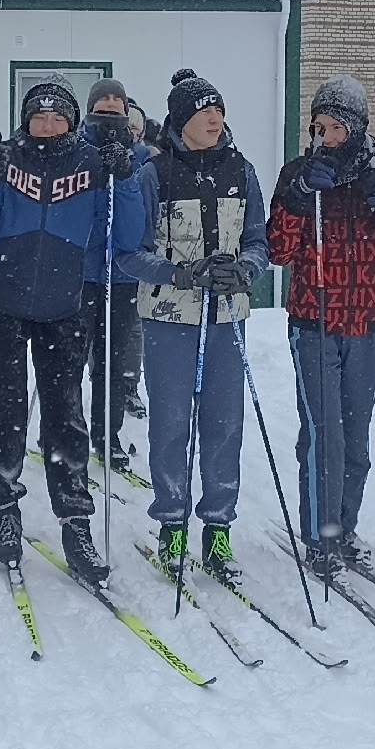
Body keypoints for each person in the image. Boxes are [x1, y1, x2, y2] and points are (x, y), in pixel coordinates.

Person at [0, 78, 139, 582]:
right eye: (40, 116)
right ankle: (4, 510)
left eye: (59, 117)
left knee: (65, 415)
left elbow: (126, 236)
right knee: (5, 411)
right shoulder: (8, 157)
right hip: (8, 302)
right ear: (25, 119)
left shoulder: (91, 162)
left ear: (73, 122)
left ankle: (75, 520)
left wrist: (122, 179)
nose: (49, 125)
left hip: (67, 305)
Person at [267, 75, 375, 572]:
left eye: (336, 127)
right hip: (313, 320)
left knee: (355, 435)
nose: (326, 137)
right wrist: (296, 199)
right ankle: (320, 535)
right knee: (322, 434)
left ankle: (345, 525)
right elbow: (278, 250)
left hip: (369, 323)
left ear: (357, 127)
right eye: (319, 126)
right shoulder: (299, 173)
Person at [122, 68, 267, 585]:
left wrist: (244, 268)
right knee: (170, 423)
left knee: (225, 425)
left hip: (225, 315)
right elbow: (130, 257)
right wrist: (181, 272)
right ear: (182, 120)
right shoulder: (154, 175)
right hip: (170, 317)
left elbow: (259, 241)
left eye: (219, 109)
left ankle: (218, 527)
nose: (214, 117)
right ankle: (171, 525)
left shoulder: (241, 170)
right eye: (204, 110)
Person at [79, 78, 150, 472]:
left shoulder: (139, 158)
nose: (109, 108)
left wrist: (121, 175)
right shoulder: (75, 151)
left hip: (121, 276)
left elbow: (137, 224)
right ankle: (63, 432)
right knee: (69, 360)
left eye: (116, 104)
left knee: (113, 362)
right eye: (101, 102)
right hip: (77, 273)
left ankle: (107, 434)